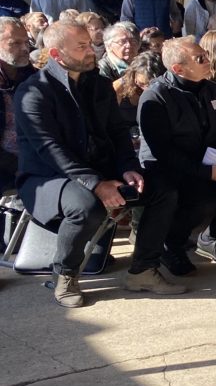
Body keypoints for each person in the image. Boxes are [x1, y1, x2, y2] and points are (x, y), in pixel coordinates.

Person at [16, 21, 186, 307]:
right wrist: (96, 184)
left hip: (100, 168)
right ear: (57, 54)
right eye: (81, 47)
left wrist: (128, 167)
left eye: (89, 44)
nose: (91, 51)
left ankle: (143, 270)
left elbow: (117, 132)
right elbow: (50, 150)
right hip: (48, 178)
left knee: (162, 190)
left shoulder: (98, 84)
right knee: (86, 206)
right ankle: (65, 274)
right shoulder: (34, 92)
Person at [138, 38, 216, 269]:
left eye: (205, 54)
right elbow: (163, 152)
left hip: (208, 162)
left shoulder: (211, 89)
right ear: (178, 69)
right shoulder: (156, 97)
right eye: (200, 59)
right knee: (202, 201)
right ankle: (170, 244)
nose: (207, 60)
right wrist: (207, 173)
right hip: (169, 168)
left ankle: (212, 237)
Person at [0, 16, 34, 190]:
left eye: (26, 42)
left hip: (37, 157)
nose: (25, 48)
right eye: (15, 43)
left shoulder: (33, 77)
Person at [113, 51, 164, 133]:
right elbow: (111, 120)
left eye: (150, 85)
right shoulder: (119, 88)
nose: (146, 89)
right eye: (142, 84)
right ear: (133, 74)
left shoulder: (163, 88)